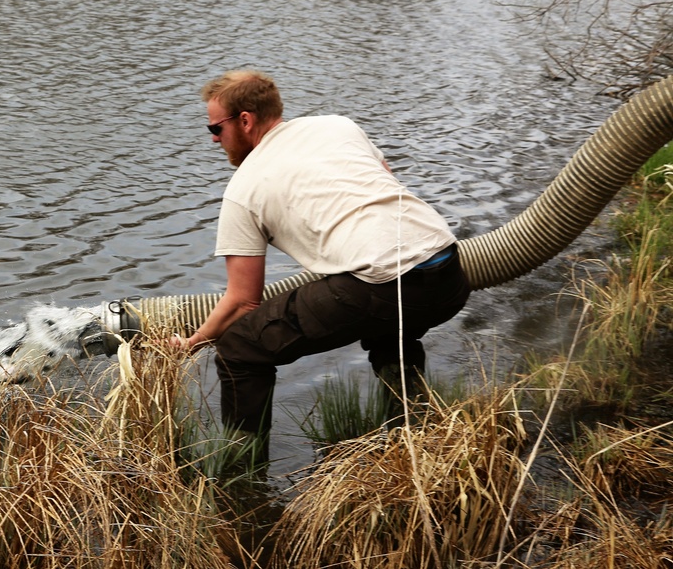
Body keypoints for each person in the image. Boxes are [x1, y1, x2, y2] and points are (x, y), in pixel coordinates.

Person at [171, 70, 471, 444]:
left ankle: (240, 476)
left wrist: (191, 344)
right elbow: (384, 187)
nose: (215, 140)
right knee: (389, 328)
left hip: (381, 286)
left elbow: (242, 302)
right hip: (449, 269)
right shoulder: (337, 126)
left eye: (215, 129)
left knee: (239, 348)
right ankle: (415, 435)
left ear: (244, 121)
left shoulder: (243, 188)